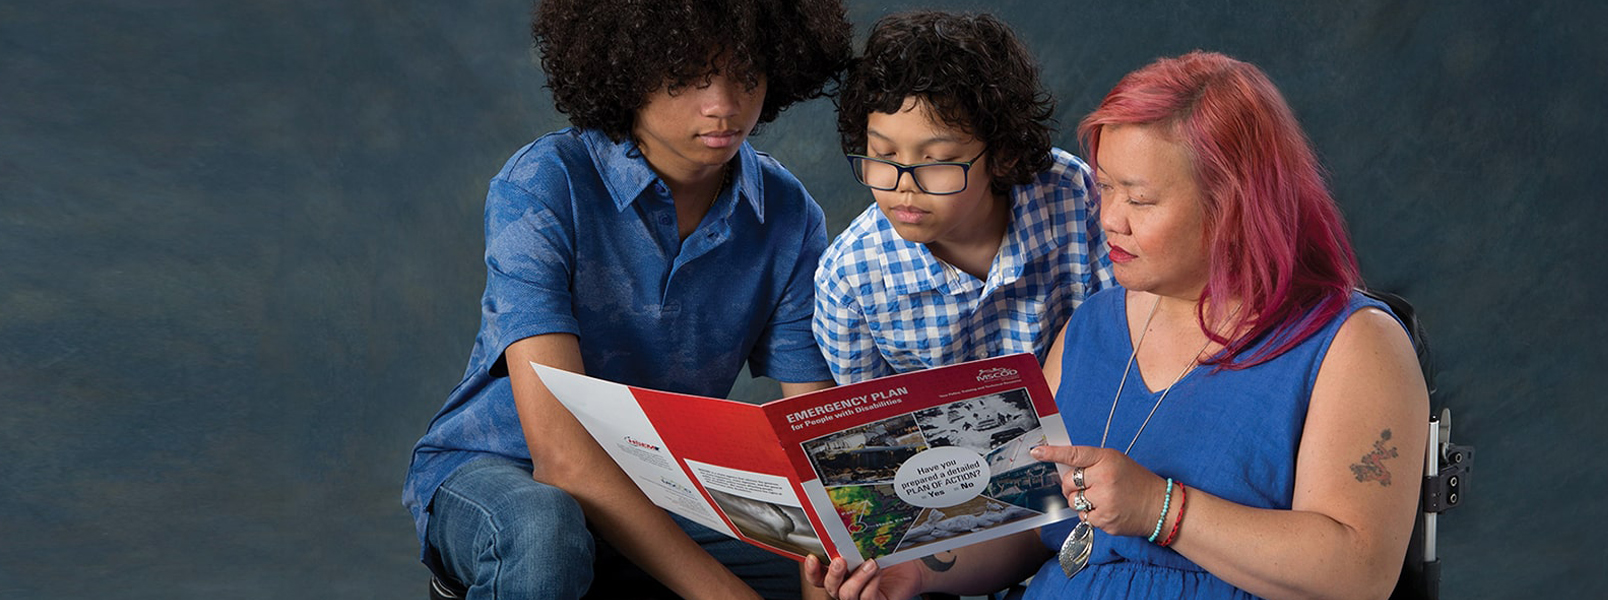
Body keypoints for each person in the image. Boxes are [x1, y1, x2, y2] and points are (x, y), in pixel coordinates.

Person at [807, 51, 1428, 600]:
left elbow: (1359, 573)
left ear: (1238, 205)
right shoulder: (1087, 330)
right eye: (1104, 189)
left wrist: (1162, 509)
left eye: (1139, 199)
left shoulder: (1355, 343)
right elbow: (1022, 525)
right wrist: (918, 573)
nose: (1109, 220)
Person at [401, 1, 850, 598]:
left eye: (745, 73)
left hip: (668, 484)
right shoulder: (544, 183)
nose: (723, 103)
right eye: (686, 75)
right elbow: (561, 459)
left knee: (863, 577)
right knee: (544, 531)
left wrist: (829, 564)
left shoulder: (789, 215)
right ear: (625, 71)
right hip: (499, 469)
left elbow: (813, 435)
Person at [810, 11, 1113, 385]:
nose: (906, 184)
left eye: (936, 160)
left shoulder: (1071, 194)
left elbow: (1131, 324)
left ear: (1003, 154)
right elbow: (869, 424)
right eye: (885, 156)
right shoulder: (848, 280)